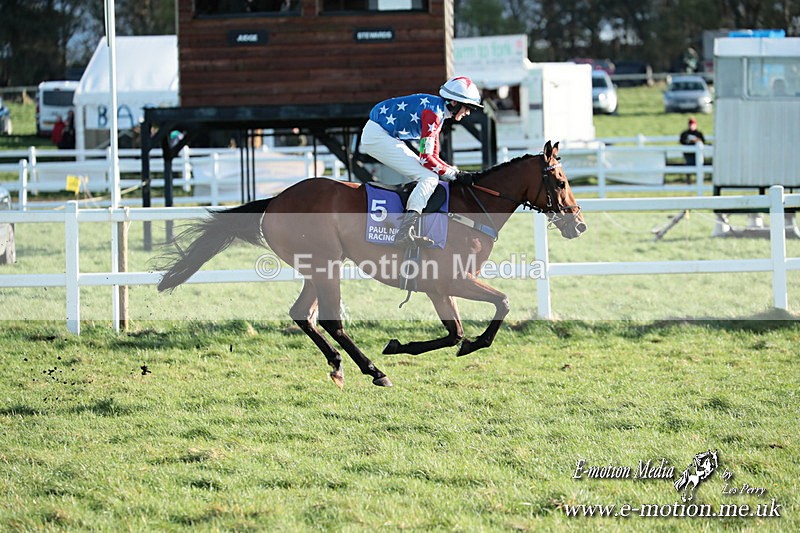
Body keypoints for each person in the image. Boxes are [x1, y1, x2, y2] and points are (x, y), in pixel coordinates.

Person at [359, 75, 482, 247]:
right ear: (454, 103)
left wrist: (454, 172)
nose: (468, 112)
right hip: (377, 136)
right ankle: (405, 232)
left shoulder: (437, 111)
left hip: (382, 133)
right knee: (429, 178)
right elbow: (427, 160)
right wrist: (455, 174)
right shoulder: (433, 114)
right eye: (467, 107)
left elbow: (434, 157)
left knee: (430, 174)